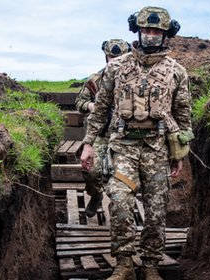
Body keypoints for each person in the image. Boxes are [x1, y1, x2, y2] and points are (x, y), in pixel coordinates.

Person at [80, 6, 193, 280]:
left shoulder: (177, 72)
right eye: (146, 30)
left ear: (166, 34)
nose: (151, 35)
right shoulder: (117, 67)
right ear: (137, 31)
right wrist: (89, 143)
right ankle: (124, 264)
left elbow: (183, 113)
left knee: (156, 211)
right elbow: (102, 106)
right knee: (119, 201)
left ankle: (151, 265)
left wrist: (180, 153)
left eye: (157, 31)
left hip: (157, 149)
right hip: (123, 148)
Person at [75, 39, 131, 218]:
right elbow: (80, 102)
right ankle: (96, 194)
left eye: (118, 57)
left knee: (123, 176)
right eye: (111, 57)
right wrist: (92, 107)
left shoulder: (134, 80)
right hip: (100, 134)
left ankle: (120, 210)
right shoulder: (95, 80)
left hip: (125, 136)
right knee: (91, 171)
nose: (114, 60)